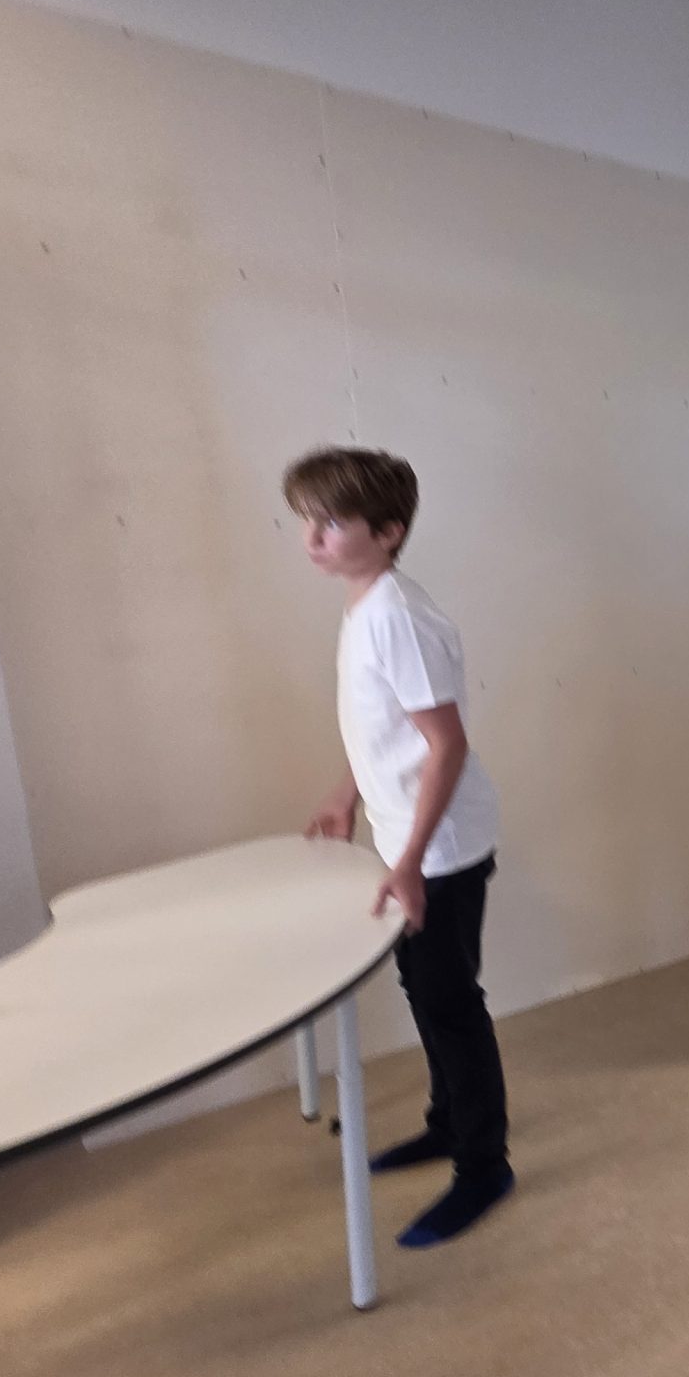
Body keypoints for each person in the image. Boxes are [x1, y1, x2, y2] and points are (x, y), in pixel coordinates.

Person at [286, 446, 517, 1249]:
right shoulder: (365, 606)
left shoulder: (398, 619)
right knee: (426, 990)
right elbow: (379, 727)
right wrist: (345, 794)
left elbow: (444, 745)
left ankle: (484, 1165)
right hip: (411, 838)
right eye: (306, 521)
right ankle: (447, 1124)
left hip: (441, 845)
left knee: (450, 1003)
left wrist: (411, 861)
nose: (312, 538)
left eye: (331, 523)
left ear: (388, 532)